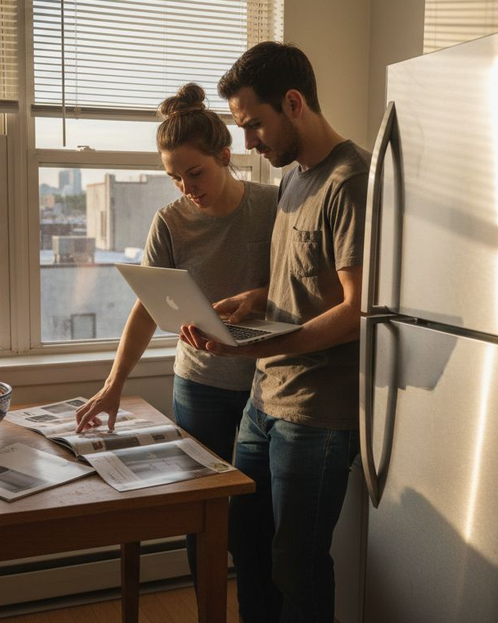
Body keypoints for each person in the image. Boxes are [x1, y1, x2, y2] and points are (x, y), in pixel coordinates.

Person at [179, 42, 369, 623]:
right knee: (248, 545)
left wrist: (259, 345)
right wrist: (255, 299)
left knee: (297, 565)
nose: (248, 143)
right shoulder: (293, 180)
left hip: (317, 412)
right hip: (264, 401)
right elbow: (306, 280)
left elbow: (359, 308)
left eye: (254, 125)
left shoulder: (351, 179)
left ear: (293, 103)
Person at [74, 82, 278, 584]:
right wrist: (113, 385)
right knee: (198, 514)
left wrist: (259, 294)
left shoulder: (273, 206)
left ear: (225, 156)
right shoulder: (170, 222)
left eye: (195, 173)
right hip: (200, 384)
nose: (186, 187)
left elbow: (300, 283)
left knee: (255, 522)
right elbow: (146, 309)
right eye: (174, 177)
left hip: (266, 384)